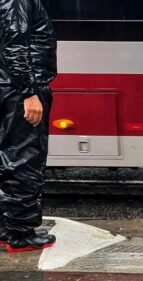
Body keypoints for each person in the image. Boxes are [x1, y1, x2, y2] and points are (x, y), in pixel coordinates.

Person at [0, 0, 57, 252]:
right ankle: (20, 233)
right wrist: (29, 92)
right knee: (24, 157)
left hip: (8, 87)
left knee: (9, 157)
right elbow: (15, 45)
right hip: (17, 89)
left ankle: (6, 226)